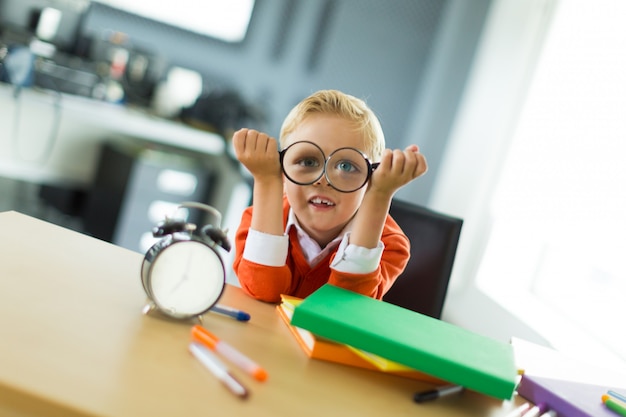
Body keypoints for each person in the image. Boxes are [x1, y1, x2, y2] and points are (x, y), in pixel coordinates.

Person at [231, 89, 427, 303]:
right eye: (307, 161)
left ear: (371, 179)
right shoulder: (256, 221)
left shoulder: (390, 244)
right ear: (283, 172)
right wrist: (267, 181)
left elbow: (344, 306)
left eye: (346, 166)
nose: (323, 180)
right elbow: (263, 290)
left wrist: (379, 195)